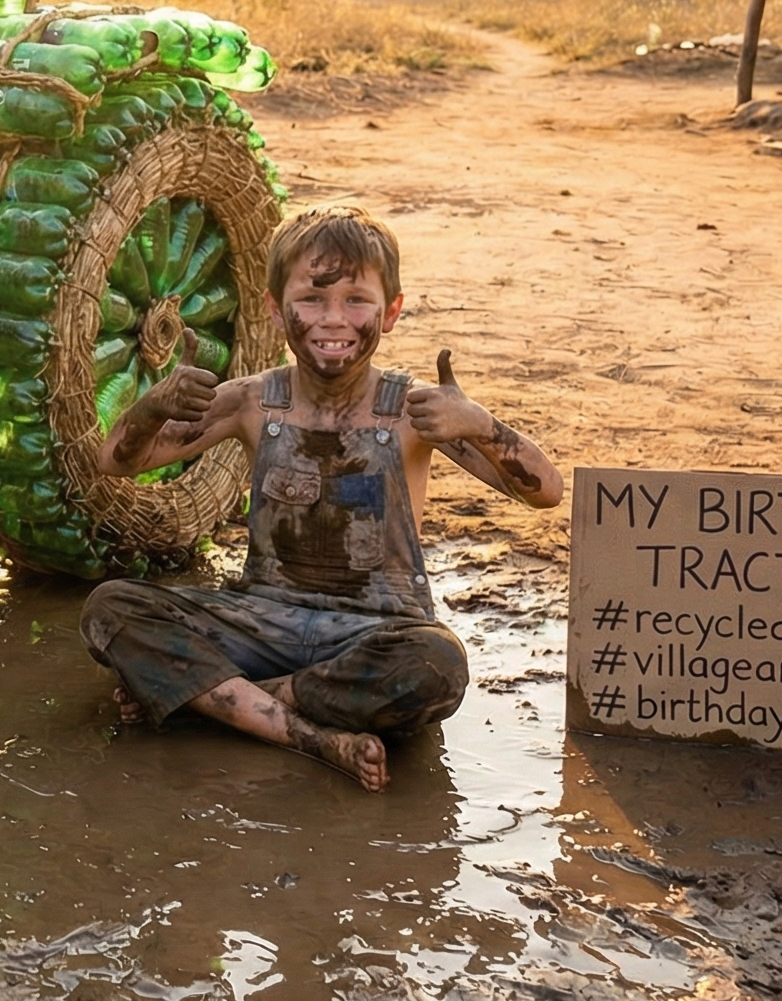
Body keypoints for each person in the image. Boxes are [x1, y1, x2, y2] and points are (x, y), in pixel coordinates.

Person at [80, 206, 565, 791]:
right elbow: (116, 462)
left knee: (436, 665)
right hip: (261, 623)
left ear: (391, 311)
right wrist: (152, 405)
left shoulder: (414, 410)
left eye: (356, 300)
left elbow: (545, 491)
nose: (333, 320)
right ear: (274, 308)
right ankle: (313, 736)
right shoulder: (254, 401)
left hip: (373, 633)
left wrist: (478, 422)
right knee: (111, 609)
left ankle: (223, 700)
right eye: (312, 298)